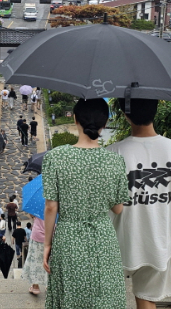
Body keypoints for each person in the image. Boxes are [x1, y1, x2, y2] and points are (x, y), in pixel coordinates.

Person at [107, 97, 171, 309]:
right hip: (159, 241)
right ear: (155, 111)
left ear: (125, 115)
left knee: (108, 299)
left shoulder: (111, 153)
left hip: (117, 242)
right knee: (147, 298)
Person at [42, 97, 130, 308]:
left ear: (75, 119)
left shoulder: (56, 157)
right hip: (102, 237)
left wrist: (47, 243)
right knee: (104, 296)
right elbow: (118, 209)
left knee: (70, 295)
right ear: (105, 124)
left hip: (68, 237)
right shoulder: (115, 160)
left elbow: (51, 207)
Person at [22, 216, 47, 295]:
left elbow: (31, 214)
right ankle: (50, 285)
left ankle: (35, 286)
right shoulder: (56, 203)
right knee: (51, 261)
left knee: (35, 259)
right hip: (53, 234)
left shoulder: (38, 204)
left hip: (38, 235)